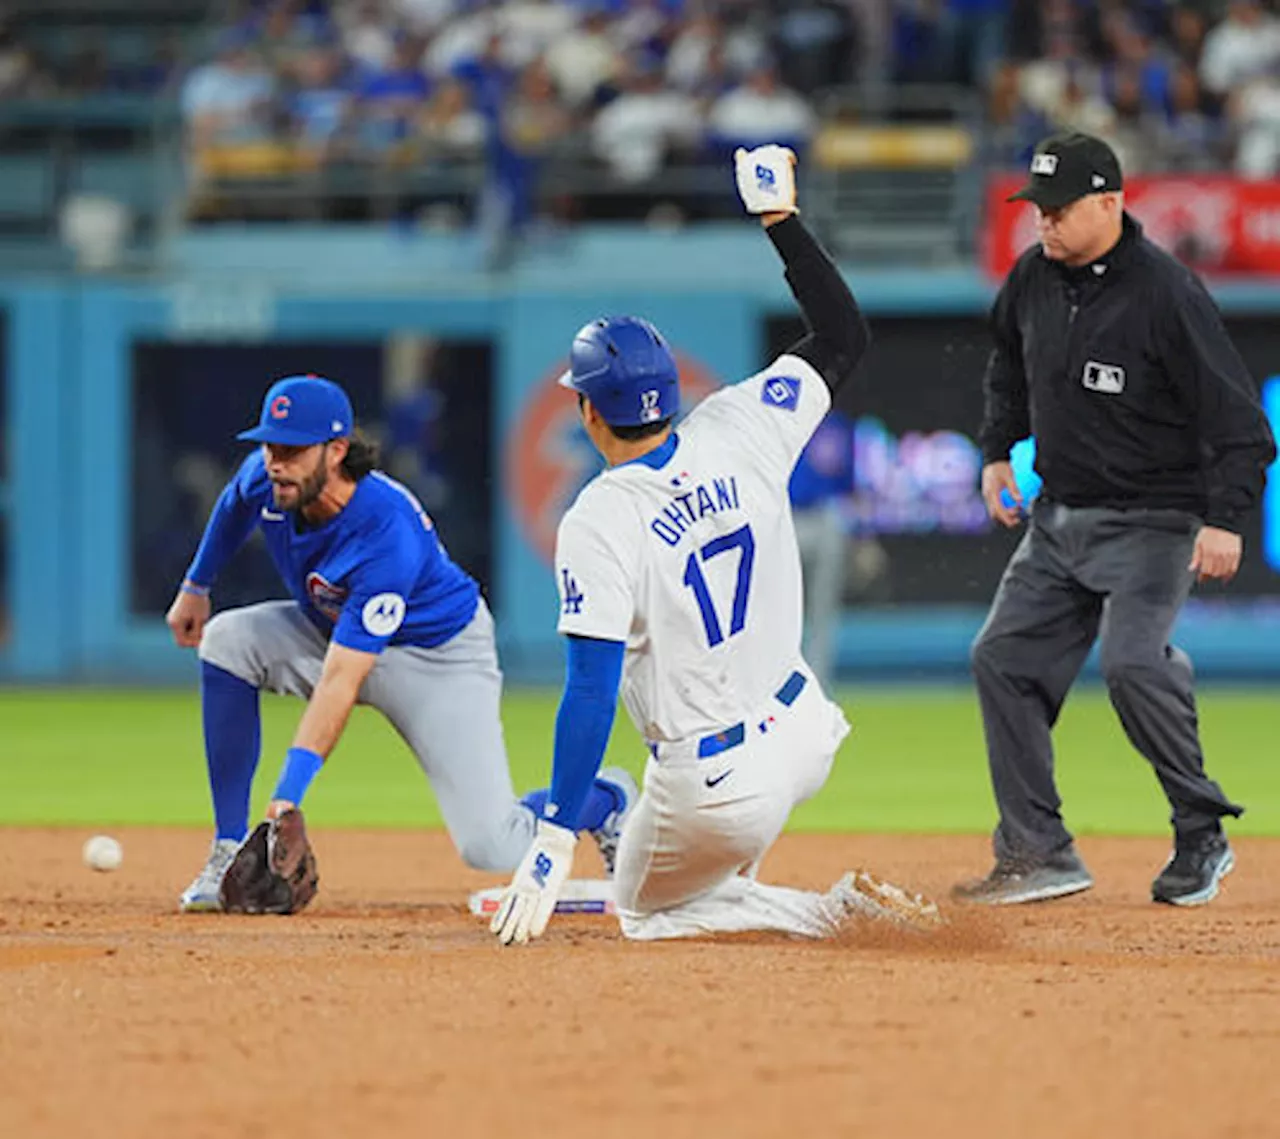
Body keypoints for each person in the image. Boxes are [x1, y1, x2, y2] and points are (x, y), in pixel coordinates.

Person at [489, 145, 940, 945]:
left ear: (591, 415)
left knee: (645, 911)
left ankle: (832, 909)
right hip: (804, 729)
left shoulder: (600, 515)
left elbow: (589, 690)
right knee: (689, 865)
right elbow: (843, 333)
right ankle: (702, 858)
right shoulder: (738, 423)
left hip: (716, 786)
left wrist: (555, 837)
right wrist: (780, 220)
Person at [166, 374, 634, 913]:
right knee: (227, 640)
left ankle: (607, 797)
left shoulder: (386, 531)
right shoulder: (272, 481)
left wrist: (288, 798)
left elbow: (341, 682)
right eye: (270, 445)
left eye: (292, 449)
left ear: (336, 451)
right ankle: (226, 850)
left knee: (493, 844)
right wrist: (196, 587)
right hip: (328, 633)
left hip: (437, 659)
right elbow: (232, 504)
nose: (275, 461)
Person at [958, 132, 1276, 909]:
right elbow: (1007, 361)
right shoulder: (1032, 275)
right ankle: (1038, 850)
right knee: (1001, 658)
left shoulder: (1167, 292)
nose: (1045, 223)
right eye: (1038, 208)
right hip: (1058, 523)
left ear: (1110, 201)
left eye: (1060, 209)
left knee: (1133, 664)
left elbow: (1240, 423)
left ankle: (1201, 828)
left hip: (1153, 521)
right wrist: (999, 449)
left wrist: (1227, 518)